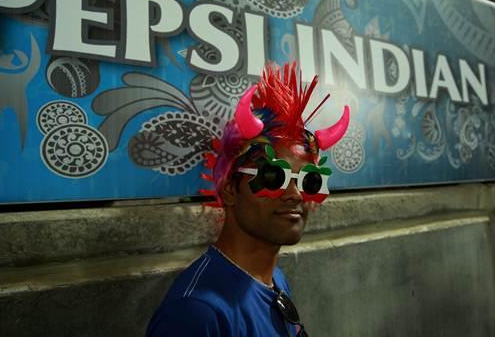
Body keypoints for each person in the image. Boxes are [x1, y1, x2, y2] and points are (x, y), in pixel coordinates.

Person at [146, 63, 350, 336]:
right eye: (273, 177)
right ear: (230, 189)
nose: (295, 194)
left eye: (310, 181)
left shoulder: (274, 279)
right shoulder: (196, 312)